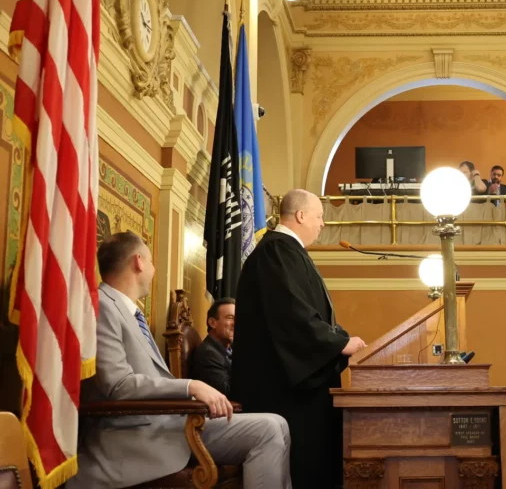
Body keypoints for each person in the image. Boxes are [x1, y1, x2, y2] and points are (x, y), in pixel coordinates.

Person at [69, 232, 291, 489]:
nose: (153, 269)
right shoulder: (103, 306)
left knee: (277, 423)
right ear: (139, 262)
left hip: (170, 421)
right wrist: (191, 386)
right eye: (152, 262)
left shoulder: (130, 311)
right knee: (269, 430)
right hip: (136, 434)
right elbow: (118, 385)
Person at [232, 189, 367, 489]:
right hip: (283, 390)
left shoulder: (286, 252)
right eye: (319, 217)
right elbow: (291, 315)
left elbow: (308, 313)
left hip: (292, 386)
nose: (322, 224)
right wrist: (337, 344)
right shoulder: (276, 252)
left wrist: (339, 338)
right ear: (301, 215)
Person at [191, 297, 236, 397]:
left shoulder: (229, 349)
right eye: (230, 318)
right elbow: (230, 392)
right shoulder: (208, 353)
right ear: (212, 323)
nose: (235, 323)